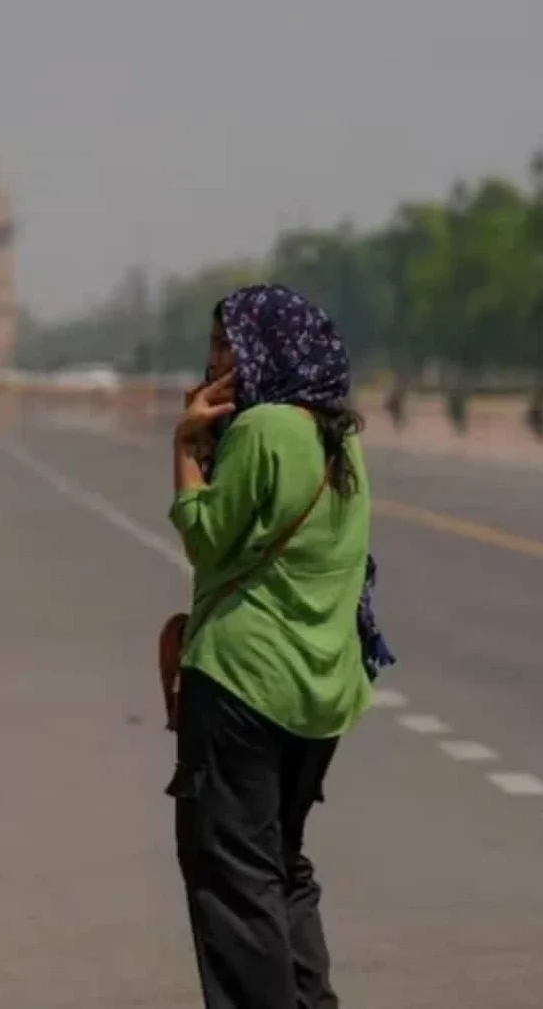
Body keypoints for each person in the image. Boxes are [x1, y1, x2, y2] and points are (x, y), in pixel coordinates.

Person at [165, 283, 390, 1009]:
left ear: (268, 346)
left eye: (227, 344)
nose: (213, 359)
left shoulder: (261, 430)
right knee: (281, 867)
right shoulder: (342, 438)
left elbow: (205, 539)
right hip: (319, 691)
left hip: (241, 686)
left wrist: (186, 449)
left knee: (234, 880)